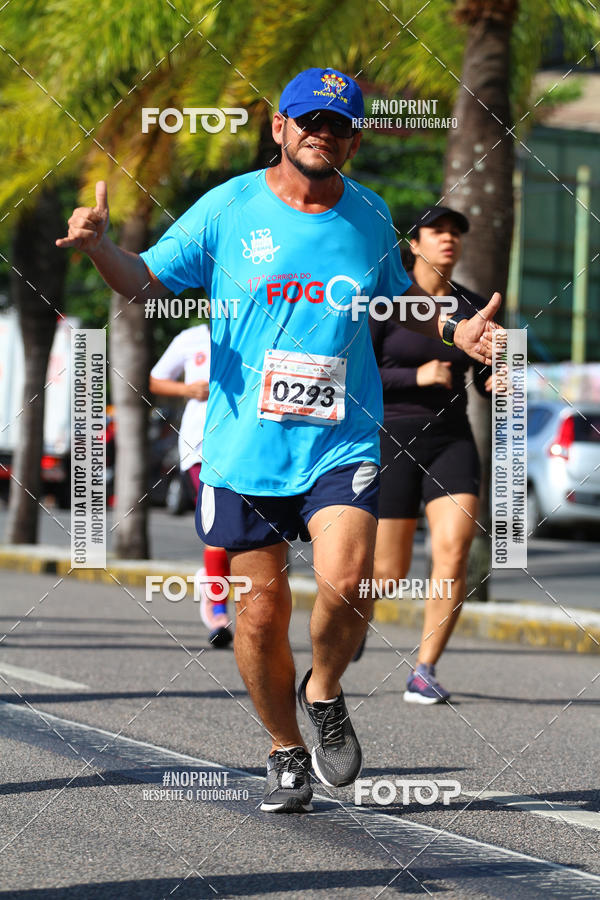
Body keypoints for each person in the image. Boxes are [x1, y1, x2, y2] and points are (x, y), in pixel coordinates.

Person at [57, 67, 501, 814]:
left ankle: (323, 690)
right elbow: (146, 283)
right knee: (259, 613)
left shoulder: (367, 213)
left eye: (337, 124)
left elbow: (396, 301)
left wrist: (457, 329)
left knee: (350, 579)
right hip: (246, 447)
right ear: (280, 128)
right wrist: (101, 249)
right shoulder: (226, 209)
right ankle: (284, 748)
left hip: (341, 439)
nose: (321, 133)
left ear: (355, 138)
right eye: (308, 120)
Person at [366, 206, 494, 703]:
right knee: (389, 573)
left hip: (450, 439)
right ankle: (350, 623)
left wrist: (497, 380)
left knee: (453, 550)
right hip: (390, 438)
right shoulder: (386, 300)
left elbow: (485, 380)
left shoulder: (474, 306)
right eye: (437, 231)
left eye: (457, 233)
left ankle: (424, 669)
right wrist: (413, 378)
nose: (449, 240)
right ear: (414, 243)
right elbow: (355, 374)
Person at [149, 325, 232, 647]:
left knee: (243, 539)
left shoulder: (257, 326)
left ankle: (210, 581)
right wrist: (187, 390)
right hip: (200, 446)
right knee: (219, 531)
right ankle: (218, 610)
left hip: (246, 447)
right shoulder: (189, 338)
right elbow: (155, 379)